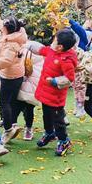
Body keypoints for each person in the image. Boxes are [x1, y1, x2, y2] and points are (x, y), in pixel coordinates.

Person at [31, 28, 78, 157]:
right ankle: (49, 133)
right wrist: (28, 45)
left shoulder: (66, 60)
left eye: (54, 40)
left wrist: (55, 81)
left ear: (60, 47)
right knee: (46, 116)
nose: (52, 41)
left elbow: (69, 78)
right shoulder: (52, 51)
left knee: (58, 120)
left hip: (55, 96)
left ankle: (64, 141)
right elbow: (42, 50)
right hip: (45, 92)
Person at [0, 16, 27, 144]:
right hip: (17, 73)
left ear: (6, 29)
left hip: (10, 76)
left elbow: (6, 61)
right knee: (10, 102)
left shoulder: (11, 43)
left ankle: (9, 129)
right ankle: (10, 123)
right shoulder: (17, 34)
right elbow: (2, 26)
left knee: (5, 103)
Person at [13, 41, 45, 141]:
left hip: (26, 81)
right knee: (28, 108)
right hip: (33, 83)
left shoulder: (24, 49)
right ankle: (27, 128)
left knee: (17, 107)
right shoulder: (41, 51)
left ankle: (14, 127)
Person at [69, 19, 92, 118]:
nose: (87, 21)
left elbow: (80, 31)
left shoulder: (89, 33)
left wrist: (71, 22)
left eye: (89, 21)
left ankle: (81, 106)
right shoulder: (80, 31)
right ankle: (77, 105)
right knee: (75, 83)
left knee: (80, 83)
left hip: (81, 58)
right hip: (75, 57)